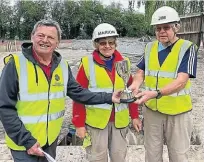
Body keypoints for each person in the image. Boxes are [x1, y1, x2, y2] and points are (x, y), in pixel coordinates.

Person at [0, 19, 121, 162]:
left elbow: (79, 93)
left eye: (51, 37)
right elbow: (4, 107)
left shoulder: (62, 66)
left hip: (50, 142)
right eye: (40, 35)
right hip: (24, 145)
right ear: (32, 37)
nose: (45, 40)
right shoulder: (15, 64)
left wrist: (109, 97)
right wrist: (27, 141)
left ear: (58, 42)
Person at [130, 6, 198, 162]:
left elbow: (181, 81)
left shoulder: (187, 48)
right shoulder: (149, 47)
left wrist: (156, 93)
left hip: (178, 113)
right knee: (152, 155)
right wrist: (135, 84)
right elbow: (140, 72)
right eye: (158, 28)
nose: (161, 31)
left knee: (179, 156)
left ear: (176, 27)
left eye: (166, 27)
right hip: (152, 112)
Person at [72, 23, 142, 162]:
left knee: (119, 158)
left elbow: (131, 92)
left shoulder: (124, 63)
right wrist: (79, 124)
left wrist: (134, 116)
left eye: (111, 42)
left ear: (116, 44)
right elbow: (78, 96)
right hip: (96, 124)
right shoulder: (87, 64)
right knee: (97, 159)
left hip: (119, 123)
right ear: (96, 44)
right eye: (103, 43)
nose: (107, 46)